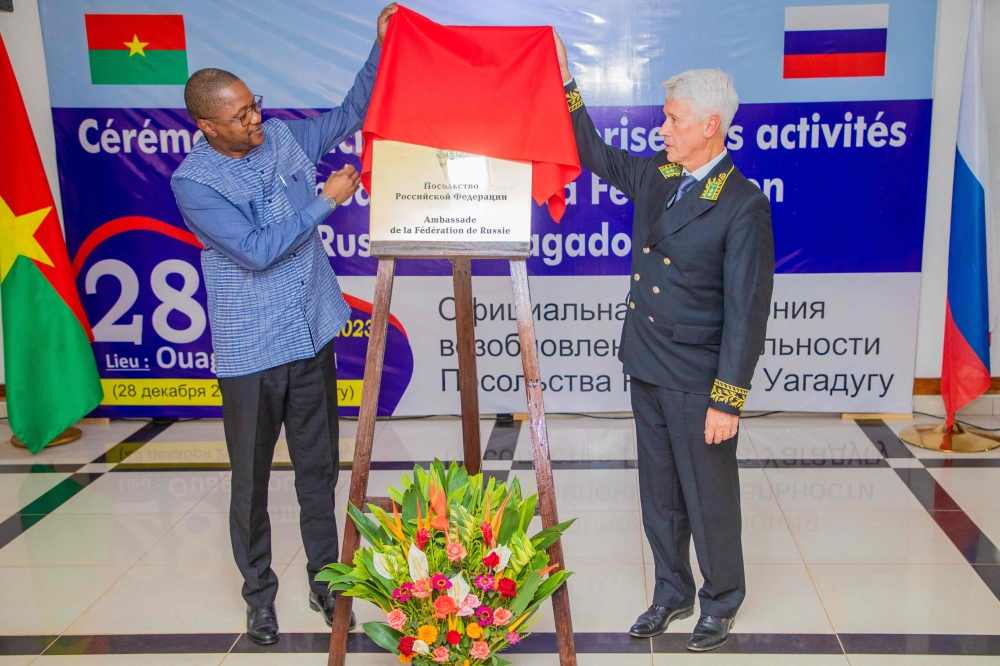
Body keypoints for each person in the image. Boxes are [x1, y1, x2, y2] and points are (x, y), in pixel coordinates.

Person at [170, 4, 398, 646]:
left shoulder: (284, 138)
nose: (255, 119)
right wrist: (327, 201)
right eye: (240, 115)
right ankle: (259, 596)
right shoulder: (195, 183)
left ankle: (328, 583)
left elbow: (351, 111)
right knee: (249, 481)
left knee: (317, 469)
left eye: (255, 105)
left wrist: (379, 46)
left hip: (311, 333)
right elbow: (258, 248)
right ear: (207, 124)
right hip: (252, 352)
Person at [554, 33, 774, 652]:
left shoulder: (741, 205)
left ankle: (721, 597)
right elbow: (592, 152)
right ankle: (671, 591)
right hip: (647, 363)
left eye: (673, 121)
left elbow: (747, 312)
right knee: (659, 493)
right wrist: (568, 84)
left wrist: (727, 399)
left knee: (708, 496)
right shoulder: (659, 174)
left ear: (711, 126)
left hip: (699, 376)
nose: (663, 131)